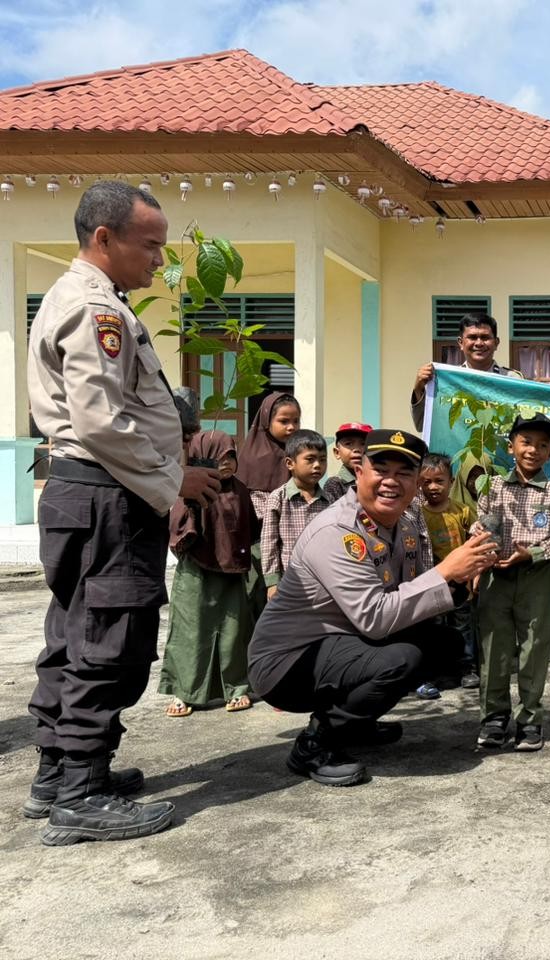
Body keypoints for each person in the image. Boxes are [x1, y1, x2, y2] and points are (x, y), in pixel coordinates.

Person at [23, 180, 221, 842]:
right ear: (104, 238)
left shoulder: (83, 298)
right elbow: (101, 421)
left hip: (86, 492)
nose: (159, 261)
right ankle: (79, 794)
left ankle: (61, 772)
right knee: (109, 642)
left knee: (75, 634)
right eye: (152, 247)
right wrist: (174, 481)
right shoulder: (93, 308)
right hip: (107, 496)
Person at [247, 429, 497, 786]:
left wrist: (461, 578)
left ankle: (356, 724)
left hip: (342, 640)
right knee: (401, 660)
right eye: (381, 469)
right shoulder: (335, 531)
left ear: (416, 483)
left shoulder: (405, 524)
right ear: (359, 472)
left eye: (404, 473)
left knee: (444, 645)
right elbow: (376, 618)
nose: (391, 482)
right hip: (287, 662)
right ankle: (315, 745)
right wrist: (445, 571)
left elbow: (407, 595)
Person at [473, 413, 550, 752]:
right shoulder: (493, 484)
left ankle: (529, 720)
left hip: (536, 578)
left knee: (534, 650)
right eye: (526, 441)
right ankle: (494, 718)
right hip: (496, 576)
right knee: (494, 650)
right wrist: (485, 544)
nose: (533, 450)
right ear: (511, 446)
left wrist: (531, 553)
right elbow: (478, 527)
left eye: (543, 445)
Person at [159, 430, 258, 718]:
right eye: (221, 456)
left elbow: (250, 527)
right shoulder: (192, 486)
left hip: (232, 570)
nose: (228, 463)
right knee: (191, 631)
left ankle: (237, 688)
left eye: (232, 456)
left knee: (233, 632)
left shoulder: (240, 489)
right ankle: (184, 692)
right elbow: (176, 525)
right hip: (196, 570)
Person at [416, 452, 479, 695]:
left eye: (439, 481)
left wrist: (475, 575)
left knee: (462, 626)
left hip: (461, 582)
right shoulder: (418, 514)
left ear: (451, 482)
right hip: (431, 584)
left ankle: (466, 669)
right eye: (426, 482)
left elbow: (475, 541)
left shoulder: (462, 512)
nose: (433, 487)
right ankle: (435, 673)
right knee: (435, 628)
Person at [410, 313, 524, 431]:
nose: (479, 343)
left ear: (496, 343)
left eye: (485, 337)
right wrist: (419, 389)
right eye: (472, 337)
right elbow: (421, 425)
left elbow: (525, 425)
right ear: (460, 343)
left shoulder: (513, 379)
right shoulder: (445, 382)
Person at [261, 430, 334, 601]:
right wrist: (272, 583)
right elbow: (269, 543)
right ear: (290, 463)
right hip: (289, 581)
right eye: (310, 459)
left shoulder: (330, 501)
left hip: (324, 581)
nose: (317, 465)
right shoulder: (278, 498)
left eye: (322, 460)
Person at [237, 391, 302, 518]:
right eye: (284, 421)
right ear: (267, 421)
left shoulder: (299, 452)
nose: (291, 427)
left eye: (296, 421)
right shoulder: (254, 457)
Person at [322, 421, 371, 501]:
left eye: (363, 444)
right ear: (337, 453)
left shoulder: (376, 479)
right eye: (348, 443)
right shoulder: (335, 484)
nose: (356, 449)